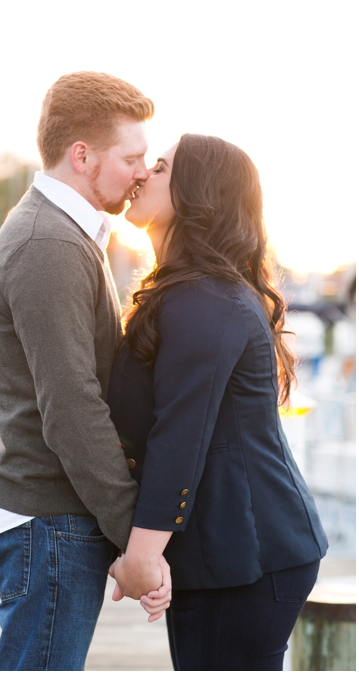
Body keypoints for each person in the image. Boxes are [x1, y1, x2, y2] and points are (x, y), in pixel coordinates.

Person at [108, 134, 328, 670]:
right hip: (220, 550)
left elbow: (178, 438)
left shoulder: (206, 299)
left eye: (159, 168)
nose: (141, 175)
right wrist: (157, 555)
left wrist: (142, 556)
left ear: (195, 194)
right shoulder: (187, 292)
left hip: (251, 556)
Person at [0, 71, 170, 671]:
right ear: (81, 156)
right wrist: (130, 538)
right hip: (48, 520)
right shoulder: (48, 244)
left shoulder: (70, 234)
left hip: (49, 515)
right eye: (132, 158)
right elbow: (71, 407)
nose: (143, 171)